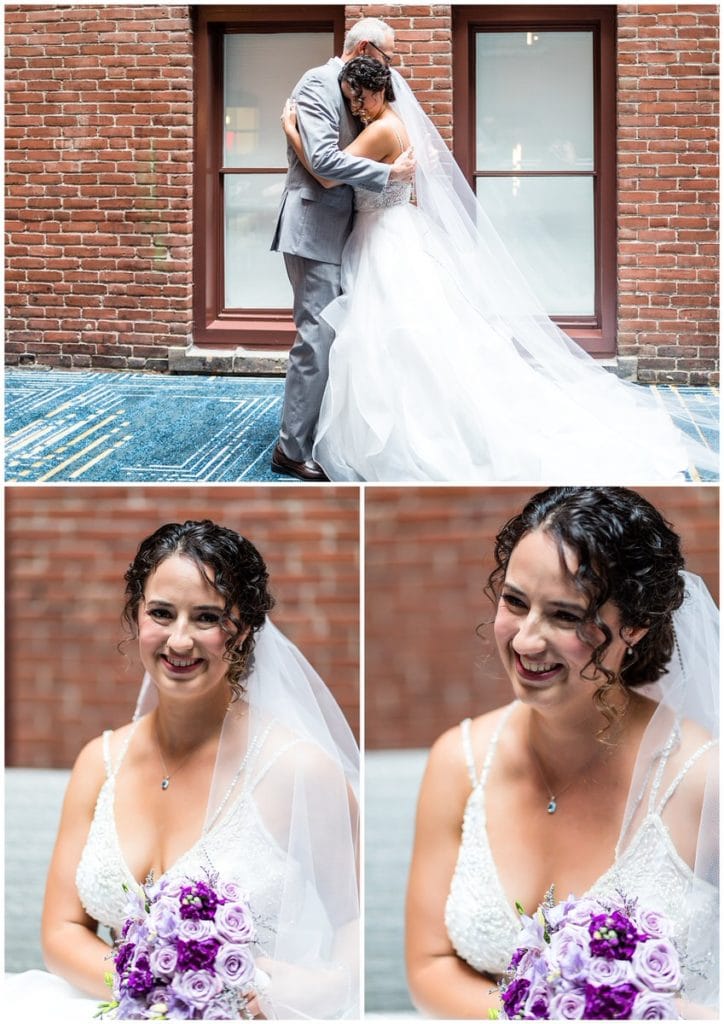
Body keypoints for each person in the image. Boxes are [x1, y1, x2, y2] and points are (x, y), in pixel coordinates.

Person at [282, 58, 718, 482]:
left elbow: (325, 173)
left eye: (361, 100)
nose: (357, 110)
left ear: (380, 91)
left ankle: (410, 428)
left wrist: (292, 132)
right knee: (401, 337)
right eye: (351, 103)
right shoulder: (396, 121)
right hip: (391, 232)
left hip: (381, 240)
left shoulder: (380, 130)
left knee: (388, 338)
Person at [6, 520, 360, 1020]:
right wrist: (154, 988)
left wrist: (328, 987)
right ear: (136, 616)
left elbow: (357, 921)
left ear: (243, 631)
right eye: (161, 613)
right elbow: (62, 931)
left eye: (206, 617)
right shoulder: (98, 763)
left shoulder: (300, 770)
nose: (178, 641)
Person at [405, 488, 718, 1018]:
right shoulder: (457, 760)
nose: (526, 641)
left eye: (567, 615)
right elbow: (429, 965)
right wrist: (533, 1013)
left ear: (635, 626)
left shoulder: (706, 778)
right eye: (515, 602)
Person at [270, 17, 415, 483]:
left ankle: (322, 432)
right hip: (314, 224)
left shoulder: (361, 92)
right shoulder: (317, 82)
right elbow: (325, 162)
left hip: (348, 228)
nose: (389, 67)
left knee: (339, 337)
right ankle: (290, 450)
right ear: (368, 48)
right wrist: (388, 175)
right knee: (315, 338)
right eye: (388, 56)